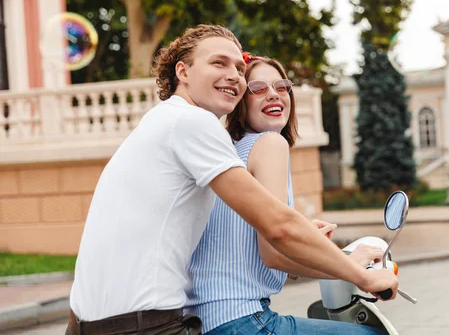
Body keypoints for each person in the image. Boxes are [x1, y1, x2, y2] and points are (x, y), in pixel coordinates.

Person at [66, 25, 398, 335]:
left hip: (89, 322)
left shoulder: (168, 127)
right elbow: (278, 228)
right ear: (183, 72)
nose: (233, 76)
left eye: (239, 69)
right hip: (148, 326)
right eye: (219, 63)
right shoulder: (192, 123)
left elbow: (248, 243)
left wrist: (304, 242)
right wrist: (357, 272)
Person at [186, 56, 387, 335]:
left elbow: (248, 247)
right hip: (240, 320)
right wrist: (352, 267)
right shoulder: (269, 144)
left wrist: (304, 240)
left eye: (282, 87)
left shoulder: (230, 152)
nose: (273, 94)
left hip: (204, 321)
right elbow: (274, 251)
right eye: (258, 88)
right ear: (241, 105)